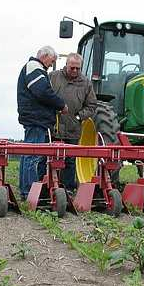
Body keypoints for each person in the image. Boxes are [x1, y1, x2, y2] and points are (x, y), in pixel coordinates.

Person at [17, 46, 68, 200]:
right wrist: (60, 105)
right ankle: (30, 193)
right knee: (33, 156)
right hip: (36, 118)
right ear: (44, 56)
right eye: (51, 61)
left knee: (28, 155)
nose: (51, 65)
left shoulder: (34, 68)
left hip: (34, 118)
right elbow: (42, 91)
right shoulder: (35, 67)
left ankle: (26, 191)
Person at [50, 53, 97, 192]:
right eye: (72, 68)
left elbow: (92, 106)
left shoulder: (86, 83)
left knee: (70, 160)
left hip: (73, 127)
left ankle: (68, 189)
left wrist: (78, 117)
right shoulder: (53, 77)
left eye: (78, 68)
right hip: (54, 126)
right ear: (66, 65)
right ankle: (47, 185)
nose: (75, 71)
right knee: (48, 157)